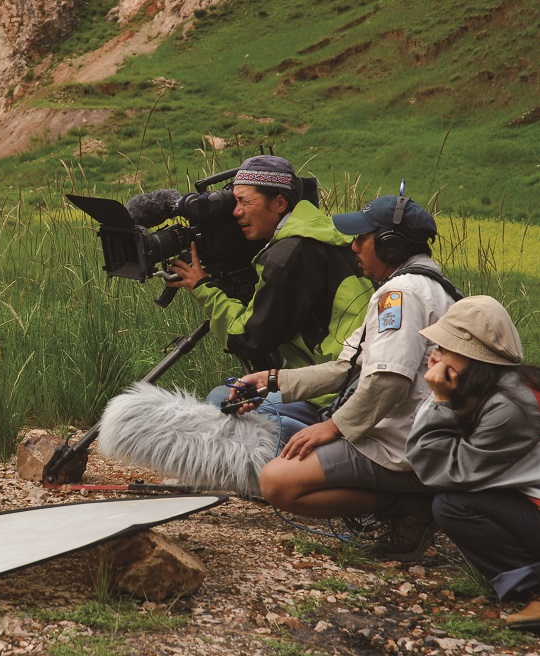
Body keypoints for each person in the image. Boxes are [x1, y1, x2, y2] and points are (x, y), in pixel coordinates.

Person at [234, 194, 461, 561]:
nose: (352, 246)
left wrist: (333, 427)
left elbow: (389, 380)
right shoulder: (420, 285)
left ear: (390, 245)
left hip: (404, 448)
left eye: (362, 238)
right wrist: (273, 380)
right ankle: (411, 501)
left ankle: (409, 505)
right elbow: (346, 367)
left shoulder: (400, 293)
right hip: (413, 438)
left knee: (278, 483)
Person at [166, 155, 372, 419]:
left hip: (333, 392)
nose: (235, 212)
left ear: (279, 202)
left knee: (222, 401)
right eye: (234, 201)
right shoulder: (320, 230)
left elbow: (250, 338)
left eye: (244, 201)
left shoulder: (288, 254)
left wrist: (203, 287)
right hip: (354, 374)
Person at [404, 296, 540, 631]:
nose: (434, 355)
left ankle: (535, 587)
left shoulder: (507, 408)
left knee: (453, 505)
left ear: (472, 359)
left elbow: (439, 471)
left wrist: (439, 400)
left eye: (444, 349)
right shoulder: (503, 389)